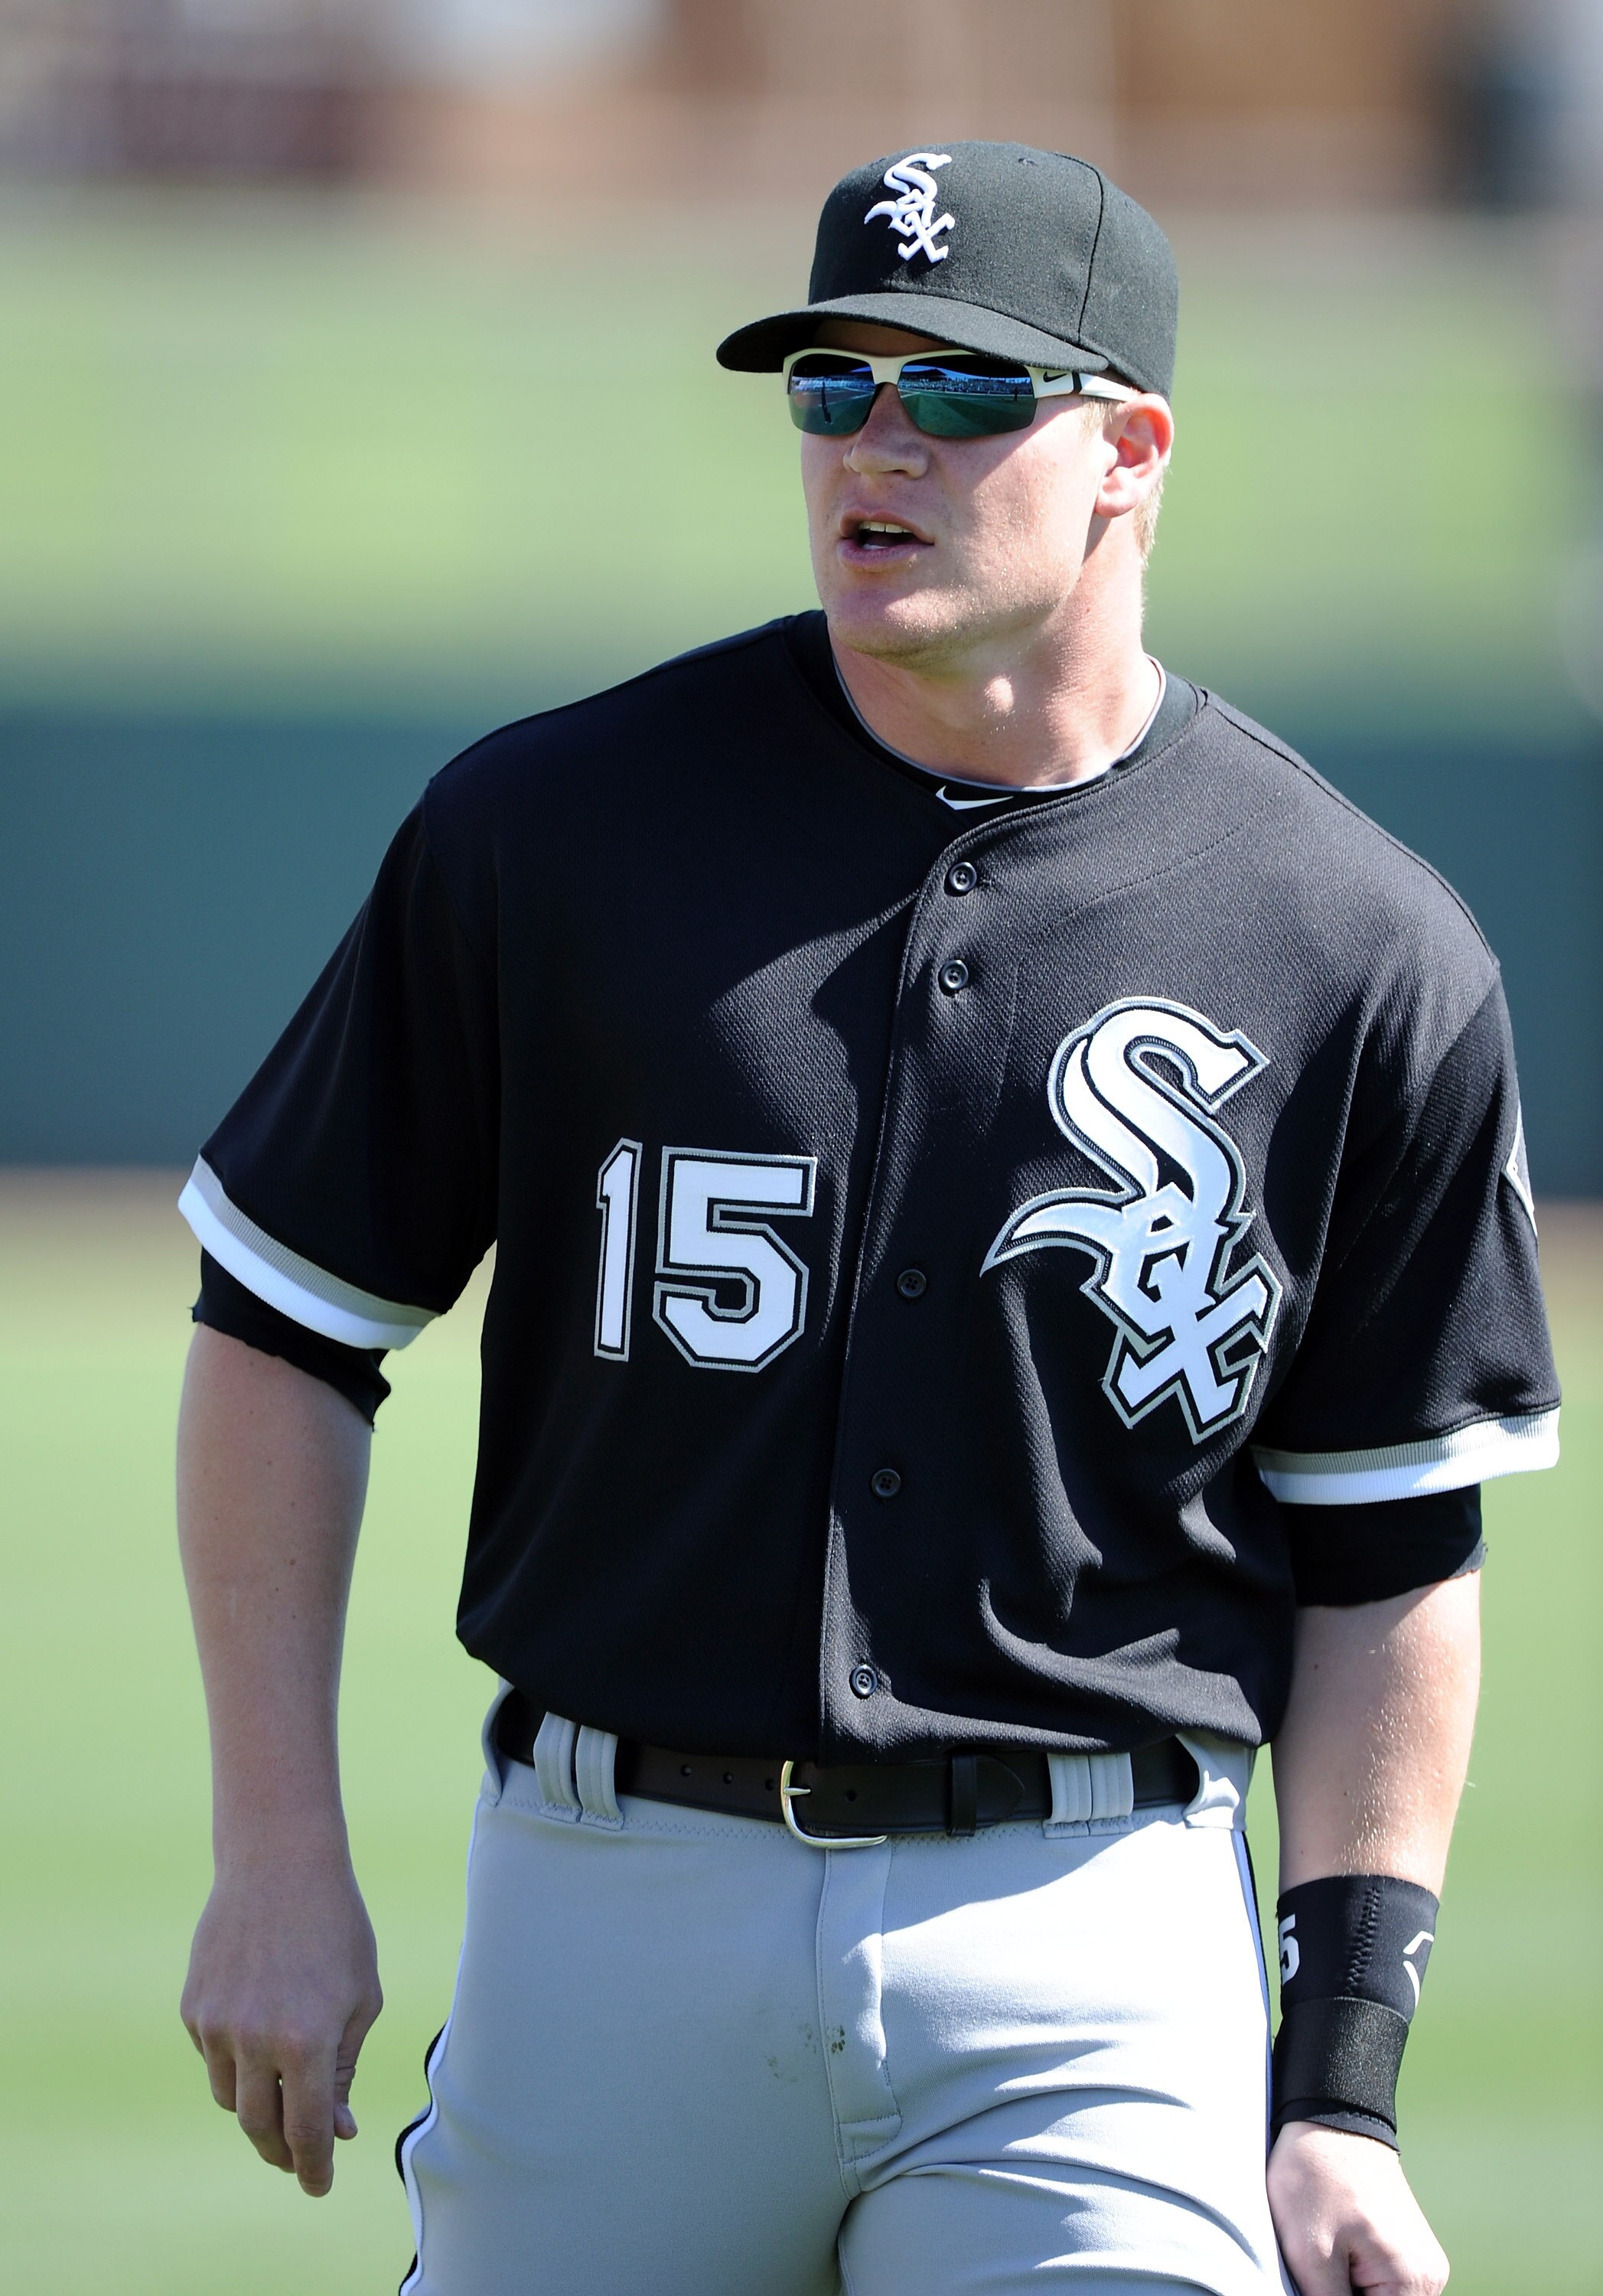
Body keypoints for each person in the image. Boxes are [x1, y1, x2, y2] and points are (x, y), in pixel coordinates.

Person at [174, 143, 1559, 2296]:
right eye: (832, 390)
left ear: (1132, 451)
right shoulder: (550, 834)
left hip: (1090, 1938)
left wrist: (1343, 2090)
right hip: (604, 1901)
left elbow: (1390, 1543)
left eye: (962, 392)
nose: (877, 448)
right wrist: (274, 1850)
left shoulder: (1358, 941)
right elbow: (283, 1326)